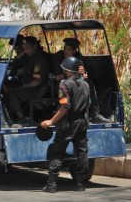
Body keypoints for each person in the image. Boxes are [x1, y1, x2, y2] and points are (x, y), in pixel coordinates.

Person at [41, 56, 90, 193]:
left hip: (68, 123)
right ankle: (80, 184)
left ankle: (51, 185)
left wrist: (51, 121)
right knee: (82, 152)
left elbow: (64, 107)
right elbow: (88, 104)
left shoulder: (65, 84)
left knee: (58, 152)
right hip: (82, 122)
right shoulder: (86, 84)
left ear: (66, 70)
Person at [52, 38, 110, 123]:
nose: (66, 52)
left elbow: (83, 75)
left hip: (76, 81)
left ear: (75, 50)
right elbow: (58, 77)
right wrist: (73, 73)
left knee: (89, 83)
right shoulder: (58, 57)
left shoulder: (78, 57)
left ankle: (94, 113)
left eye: (69, 50)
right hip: (62, 83)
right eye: (65, 49)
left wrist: (84, 76)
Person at [7, 36, 50, 124]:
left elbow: (37, 81)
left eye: (28, 48)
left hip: (37, 90)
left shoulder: (39, 60)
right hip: (30, 87)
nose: (26, 51)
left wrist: (22, 88)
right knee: (8, 88)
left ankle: (22, 117)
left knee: (12, 93)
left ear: (34, 47)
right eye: (24, 49)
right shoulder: (30, 59)